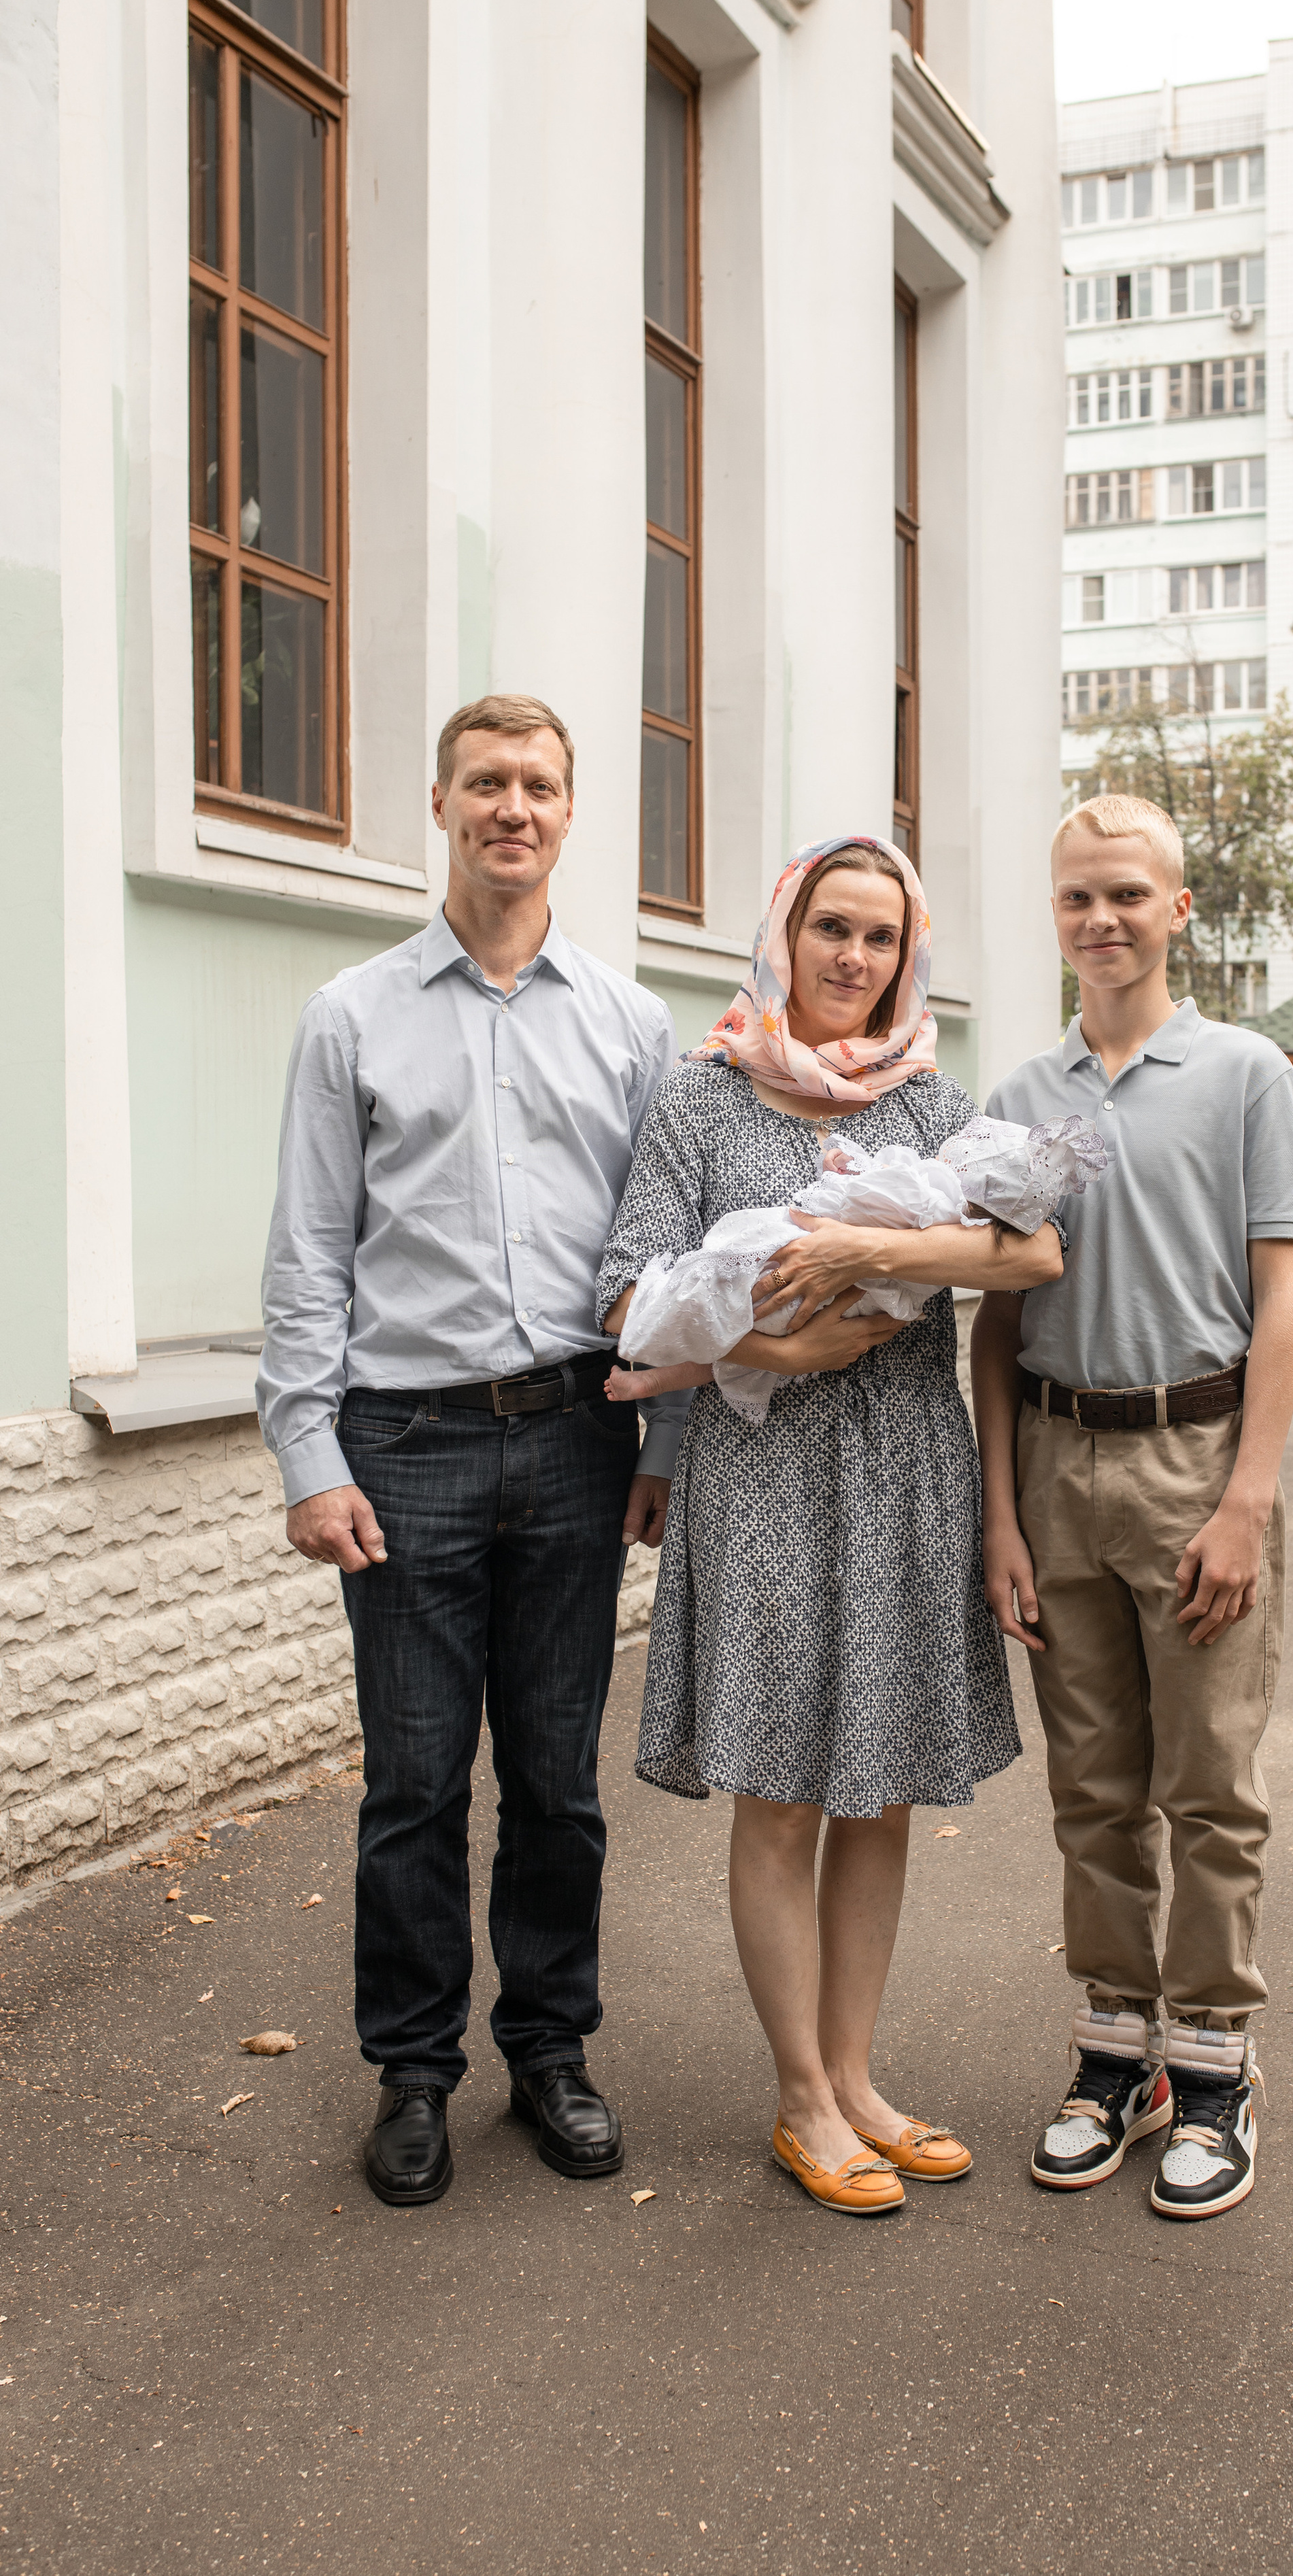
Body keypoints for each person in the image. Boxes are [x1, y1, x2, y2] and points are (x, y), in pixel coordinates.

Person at [256, 695, 688, 2211]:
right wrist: (309, 1452)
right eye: (486, 782)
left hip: (577, 1437)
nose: (514, 806)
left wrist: (664, 1440)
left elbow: (669, 1257)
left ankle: (551, 2051)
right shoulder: (353, 1017)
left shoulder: (630, 1026)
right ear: (438, 804)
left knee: (559, 1785)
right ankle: (415, 2074)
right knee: (415, 1785)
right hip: (407, 1445)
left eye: (540, 785)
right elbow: (311, 1253)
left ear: (571, 814)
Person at [597, 835, 1061, 2218]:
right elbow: (626, 1294)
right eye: (829, 929)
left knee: (878, 1790)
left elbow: (1028, 1244)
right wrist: (788, 1352)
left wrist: (867, 1252)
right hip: (764, 1478)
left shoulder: (928, 1103)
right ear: (781, 936)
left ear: (904, 956)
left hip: (906, 1471)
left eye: (878, 936)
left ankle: (858, 2079)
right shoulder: (702, 1096)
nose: (852, 958)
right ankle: (799, 2094)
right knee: (783, 1790)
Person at [973, 792, 1293, 2223]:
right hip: (1054, 1463)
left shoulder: (1241, 1073)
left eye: (1125, 895)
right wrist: (997, 1515)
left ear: (1178, 909)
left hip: (1192, 1455)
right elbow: (989, 1321)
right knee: (1093, 1787)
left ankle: (1217, 2064)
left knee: (1209, 1786)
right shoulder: (1016, 1100)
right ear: (1051, 917)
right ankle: (1115, 2049)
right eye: (1074, 899)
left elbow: (1284, 1285)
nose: (1099, 920)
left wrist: (1246, 1495)